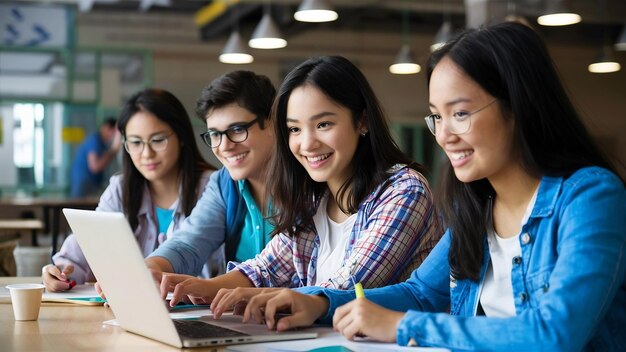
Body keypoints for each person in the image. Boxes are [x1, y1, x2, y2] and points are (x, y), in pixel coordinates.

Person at [232, 22, 626, 351]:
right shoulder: (481, 206)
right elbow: (422, 294)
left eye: (460, 113)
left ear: (517, 106)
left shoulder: (591, 197)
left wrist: (404, 327)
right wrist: (318, 302)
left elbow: (555, 334)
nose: (445, 135)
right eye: (437, 117)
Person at [162, 56, 443, 310]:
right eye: (294, 129)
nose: (307, 143)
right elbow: (266, 269)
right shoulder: (313, 198)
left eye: (323, 124)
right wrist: (204, 288)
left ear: (362, 121)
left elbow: (349, 287)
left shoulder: (404, 191)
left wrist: (261, 297)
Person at [42, 88, 216, 291]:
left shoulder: (213, 189)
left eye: (158, 140)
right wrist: (60, 271)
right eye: (135, 143)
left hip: (202, 314)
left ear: (182, 136)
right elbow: (86, 246)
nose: (146, 153)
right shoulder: (121, 190)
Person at [144, 71, 277, 280]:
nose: (225, 146)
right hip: (240, 312)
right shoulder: (224, 184)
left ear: (271, 123)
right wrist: (149, 268)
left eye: (237, 130)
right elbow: (189, 243)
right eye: (215, 134)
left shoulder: (306, 182)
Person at [69, 117, 121, 198]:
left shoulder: (103, 144)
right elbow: (95, 167)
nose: (114, 135)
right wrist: (113, 150)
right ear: (106, 128)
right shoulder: (95, 140)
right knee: (80, 208)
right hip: (85, 183)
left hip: (90, 183)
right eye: (114, 132)